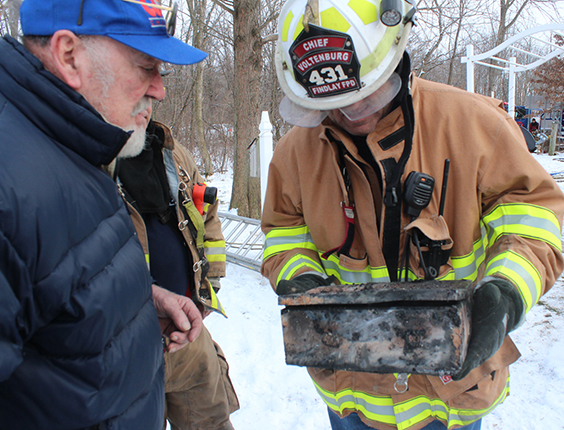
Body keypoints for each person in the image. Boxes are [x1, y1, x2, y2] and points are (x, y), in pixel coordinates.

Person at [260, 1, 564, 429]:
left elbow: (532, 218)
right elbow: (284, 232)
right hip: (351, 390)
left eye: (367, 98)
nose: (352, 117)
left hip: (451, 392)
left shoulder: (474, 126)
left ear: (395, 59)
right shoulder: (296, 153)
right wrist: (299, 277)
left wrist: (507, 291)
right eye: (334, 105)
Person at [0, 0, 208, 428]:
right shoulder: (11, 180)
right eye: (144, 66)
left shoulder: (73, 146)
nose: (160, 89)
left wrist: (135, 299)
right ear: (69, 55)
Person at [112, 118, 239, 430]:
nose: (157, 90)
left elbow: (206, 215)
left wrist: (208, 292)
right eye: (141, 72)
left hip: (189, 341)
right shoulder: (81, 160)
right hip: (122, 353)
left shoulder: (172, 152)